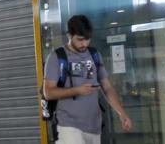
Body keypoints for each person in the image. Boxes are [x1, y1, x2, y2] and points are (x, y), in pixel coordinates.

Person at [43, 15, 133, 144]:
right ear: (69, 35)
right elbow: (48, 92)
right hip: (67, 125)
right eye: (80, 40)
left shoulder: (94, 55)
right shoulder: (57, 57)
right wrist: (76, 90)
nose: (84, 44)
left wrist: (122, 113)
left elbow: (107, 88)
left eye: (87, 39)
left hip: (94, 126)